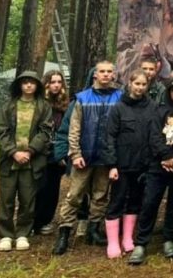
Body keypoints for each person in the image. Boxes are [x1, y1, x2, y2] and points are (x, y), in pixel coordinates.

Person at [53, 60, 122, 255]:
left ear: (114, 75)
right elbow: (74, 129)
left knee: (100, 196)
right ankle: (64, 233)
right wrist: (75, 154)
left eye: (110, 71)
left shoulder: (120, 97)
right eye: (102, 71)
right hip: (84, 156)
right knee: (74, 195)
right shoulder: (82, 98)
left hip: (106, 157)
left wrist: (114, 158)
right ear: (95, 75)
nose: (106, 75)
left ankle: (94, 231)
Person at [129, 77, 173, 264]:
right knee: (150, 202)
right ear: (169, 92)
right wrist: (165, 156)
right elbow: (154, 136)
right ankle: (141, 242)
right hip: (157, 165)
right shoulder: (159, 111)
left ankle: (168, 239)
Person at [0, 71, 53, 252]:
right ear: (19, 85)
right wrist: (13, 152)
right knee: (7, 199)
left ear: (37, 86)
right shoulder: (9, 106)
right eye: (25, 83)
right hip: (9, 161)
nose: (28, 86)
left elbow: (45, 131)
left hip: (31, 161)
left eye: (32, 83)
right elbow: (1, 132)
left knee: (28, 199)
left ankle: (22, 233)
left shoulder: (43, 107)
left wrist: (29, 151)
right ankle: (5, 234)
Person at [101, 69, 157, 258]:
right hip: (122, 165)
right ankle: (113, 242)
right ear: (130, 84)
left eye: (143, 84)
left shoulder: (152, 107)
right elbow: (110, 137)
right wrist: (112, 165)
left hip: (142, 165)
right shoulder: (118, 107)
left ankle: (127, 238)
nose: (140, 88)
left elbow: (155, 135)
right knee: (117, 201)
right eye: (137, 84)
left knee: (135, 201)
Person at [33, 70, 69, 236]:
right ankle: (32, 221)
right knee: (37, 188)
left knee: (52, 189)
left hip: (57, 154)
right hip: (39, 152)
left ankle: (44, 220)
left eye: (58, 82)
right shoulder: (38, 103)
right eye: (52, 81)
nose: (55, 85)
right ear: (45, 83)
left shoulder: (64, 105)